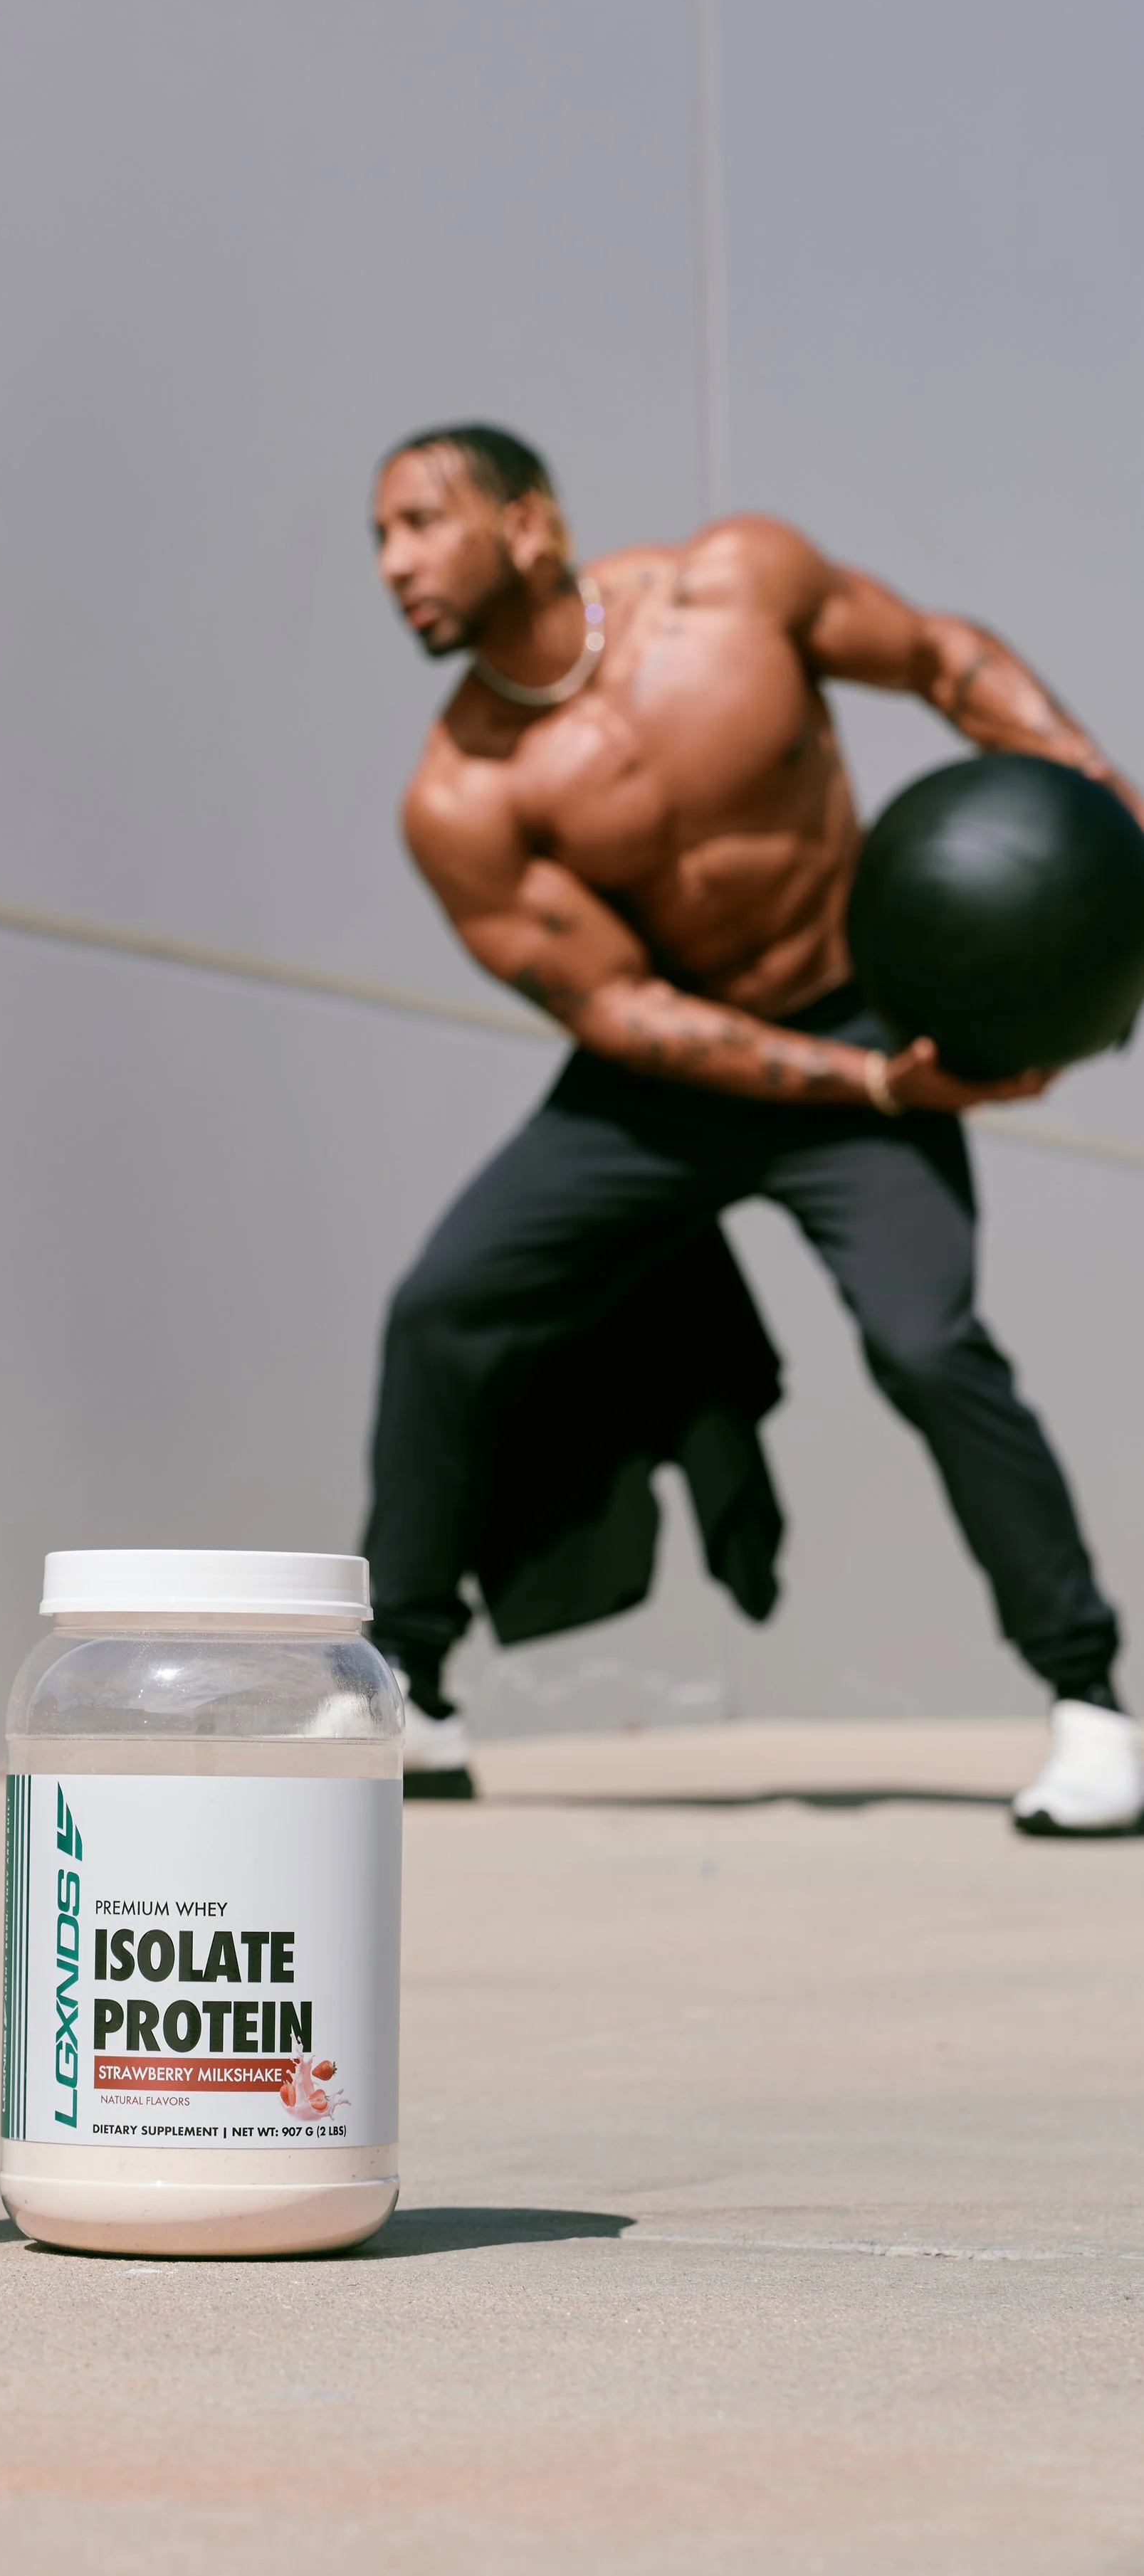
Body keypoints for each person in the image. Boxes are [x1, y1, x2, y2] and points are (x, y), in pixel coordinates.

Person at [364, 422, 1142, 1834]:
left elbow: (937, 660)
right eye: (377, 540)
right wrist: (859, 1092)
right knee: (441, 1308)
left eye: (418, 522)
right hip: (674, 1077)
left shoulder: (735, 588)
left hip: (858, 1016)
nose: (390, 563)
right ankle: (401, 1688)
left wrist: (1098, 801)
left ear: (527, 524)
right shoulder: (461, 792)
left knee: (925, 1345)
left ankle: (1088, 1704)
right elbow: (615, 1010)